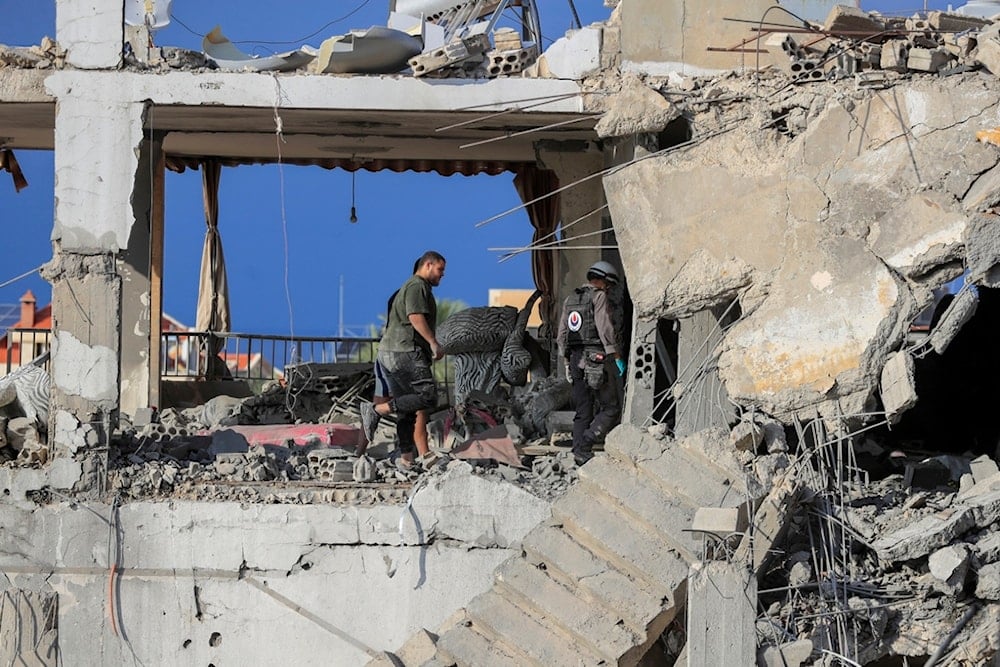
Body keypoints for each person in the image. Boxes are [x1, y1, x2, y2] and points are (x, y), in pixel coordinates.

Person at [361, 251, 446, 469]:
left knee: (407, 410)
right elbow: (415, 317)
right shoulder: (417, 286)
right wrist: (433, 343)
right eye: (440, 269)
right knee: (428, 396)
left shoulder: (407, 288)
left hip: (390, 354)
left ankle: (406, 458)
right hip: (405, 351)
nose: (442, 275)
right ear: (427, 265)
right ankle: (377, 411)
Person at [557, 260, 625, 466]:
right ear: (603, 281)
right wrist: (616, 355)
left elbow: (562, 335)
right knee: (611, 407)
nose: (609, 289)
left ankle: (578, 451)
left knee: (583, 409)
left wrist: (567, 361)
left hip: (576, 358)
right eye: (609, 284)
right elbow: (604, 328)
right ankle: (587, 441)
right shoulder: (599, 296)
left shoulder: (570, 299)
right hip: (596, 358)